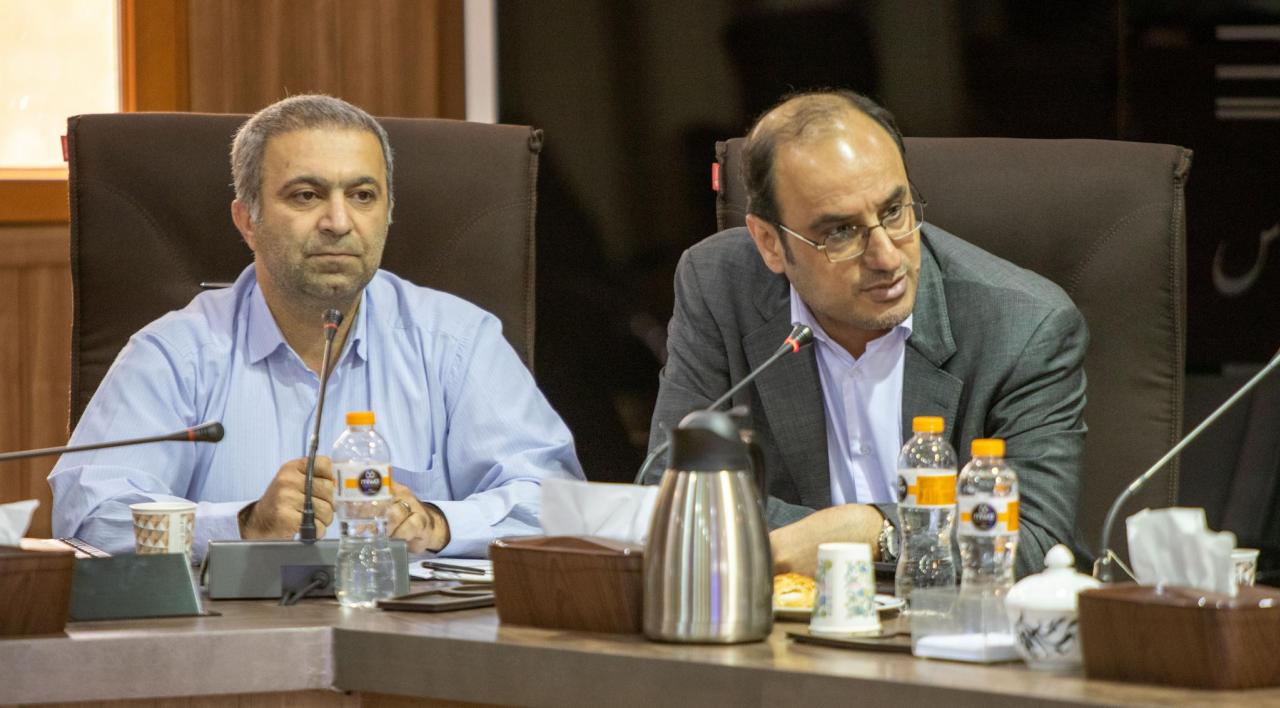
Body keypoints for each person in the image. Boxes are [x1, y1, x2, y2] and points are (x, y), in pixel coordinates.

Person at [51, 94, 584, 559]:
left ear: (388, 213)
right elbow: (89, 515)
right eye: (306, 195)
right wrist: (242, 525)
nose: (339, 222)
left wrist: (439, 523)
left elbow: (556, 501)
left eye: (363, 195)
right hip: (235, 636)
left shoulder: (457, 342)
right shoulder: (175, 353)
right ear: (247, 220)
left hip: (413, 631)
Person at [647, 90, 1087, 578]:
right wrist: (837, 535)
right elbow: (669, 490)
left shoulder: (1025, 325)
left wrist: (875, 532)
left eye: (895, 211)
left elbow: (1034, 541)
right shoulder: (718, 285)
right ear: (770, 243)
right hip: (783, 618)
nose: (887, 257)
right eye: (841, 232)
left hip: (948, 618)